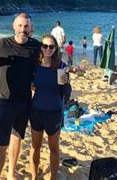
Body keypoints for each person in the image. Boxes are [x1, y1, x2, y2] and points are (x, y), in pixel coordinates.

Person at [0, 12, 41, 180]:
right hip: (5, 101)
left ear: (31, 28)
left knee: (17, 138)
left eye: (26, 26)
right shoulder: (2, 44)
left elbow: (48, 63)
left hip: (25, 101)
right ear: (14, 26)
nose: (23, 29)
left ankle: (10, 174)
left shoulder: (36, 46)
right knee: (2, 142)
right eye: (20, 25)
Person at [29, 34, 71, 180]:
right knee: (35, 147)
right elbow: (31, 85)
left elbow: (66, 94)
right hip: (36, 111)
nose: (48, 49)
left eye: (51, 46)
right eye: (45, 46)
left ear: (55, 48)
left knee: (54, 149)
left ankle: (53, 177)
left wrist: (66, 83)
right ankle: (34, 176)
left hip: (54, 113)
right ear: (41, 47)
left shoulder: (61, 66)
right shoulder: (35, 66)